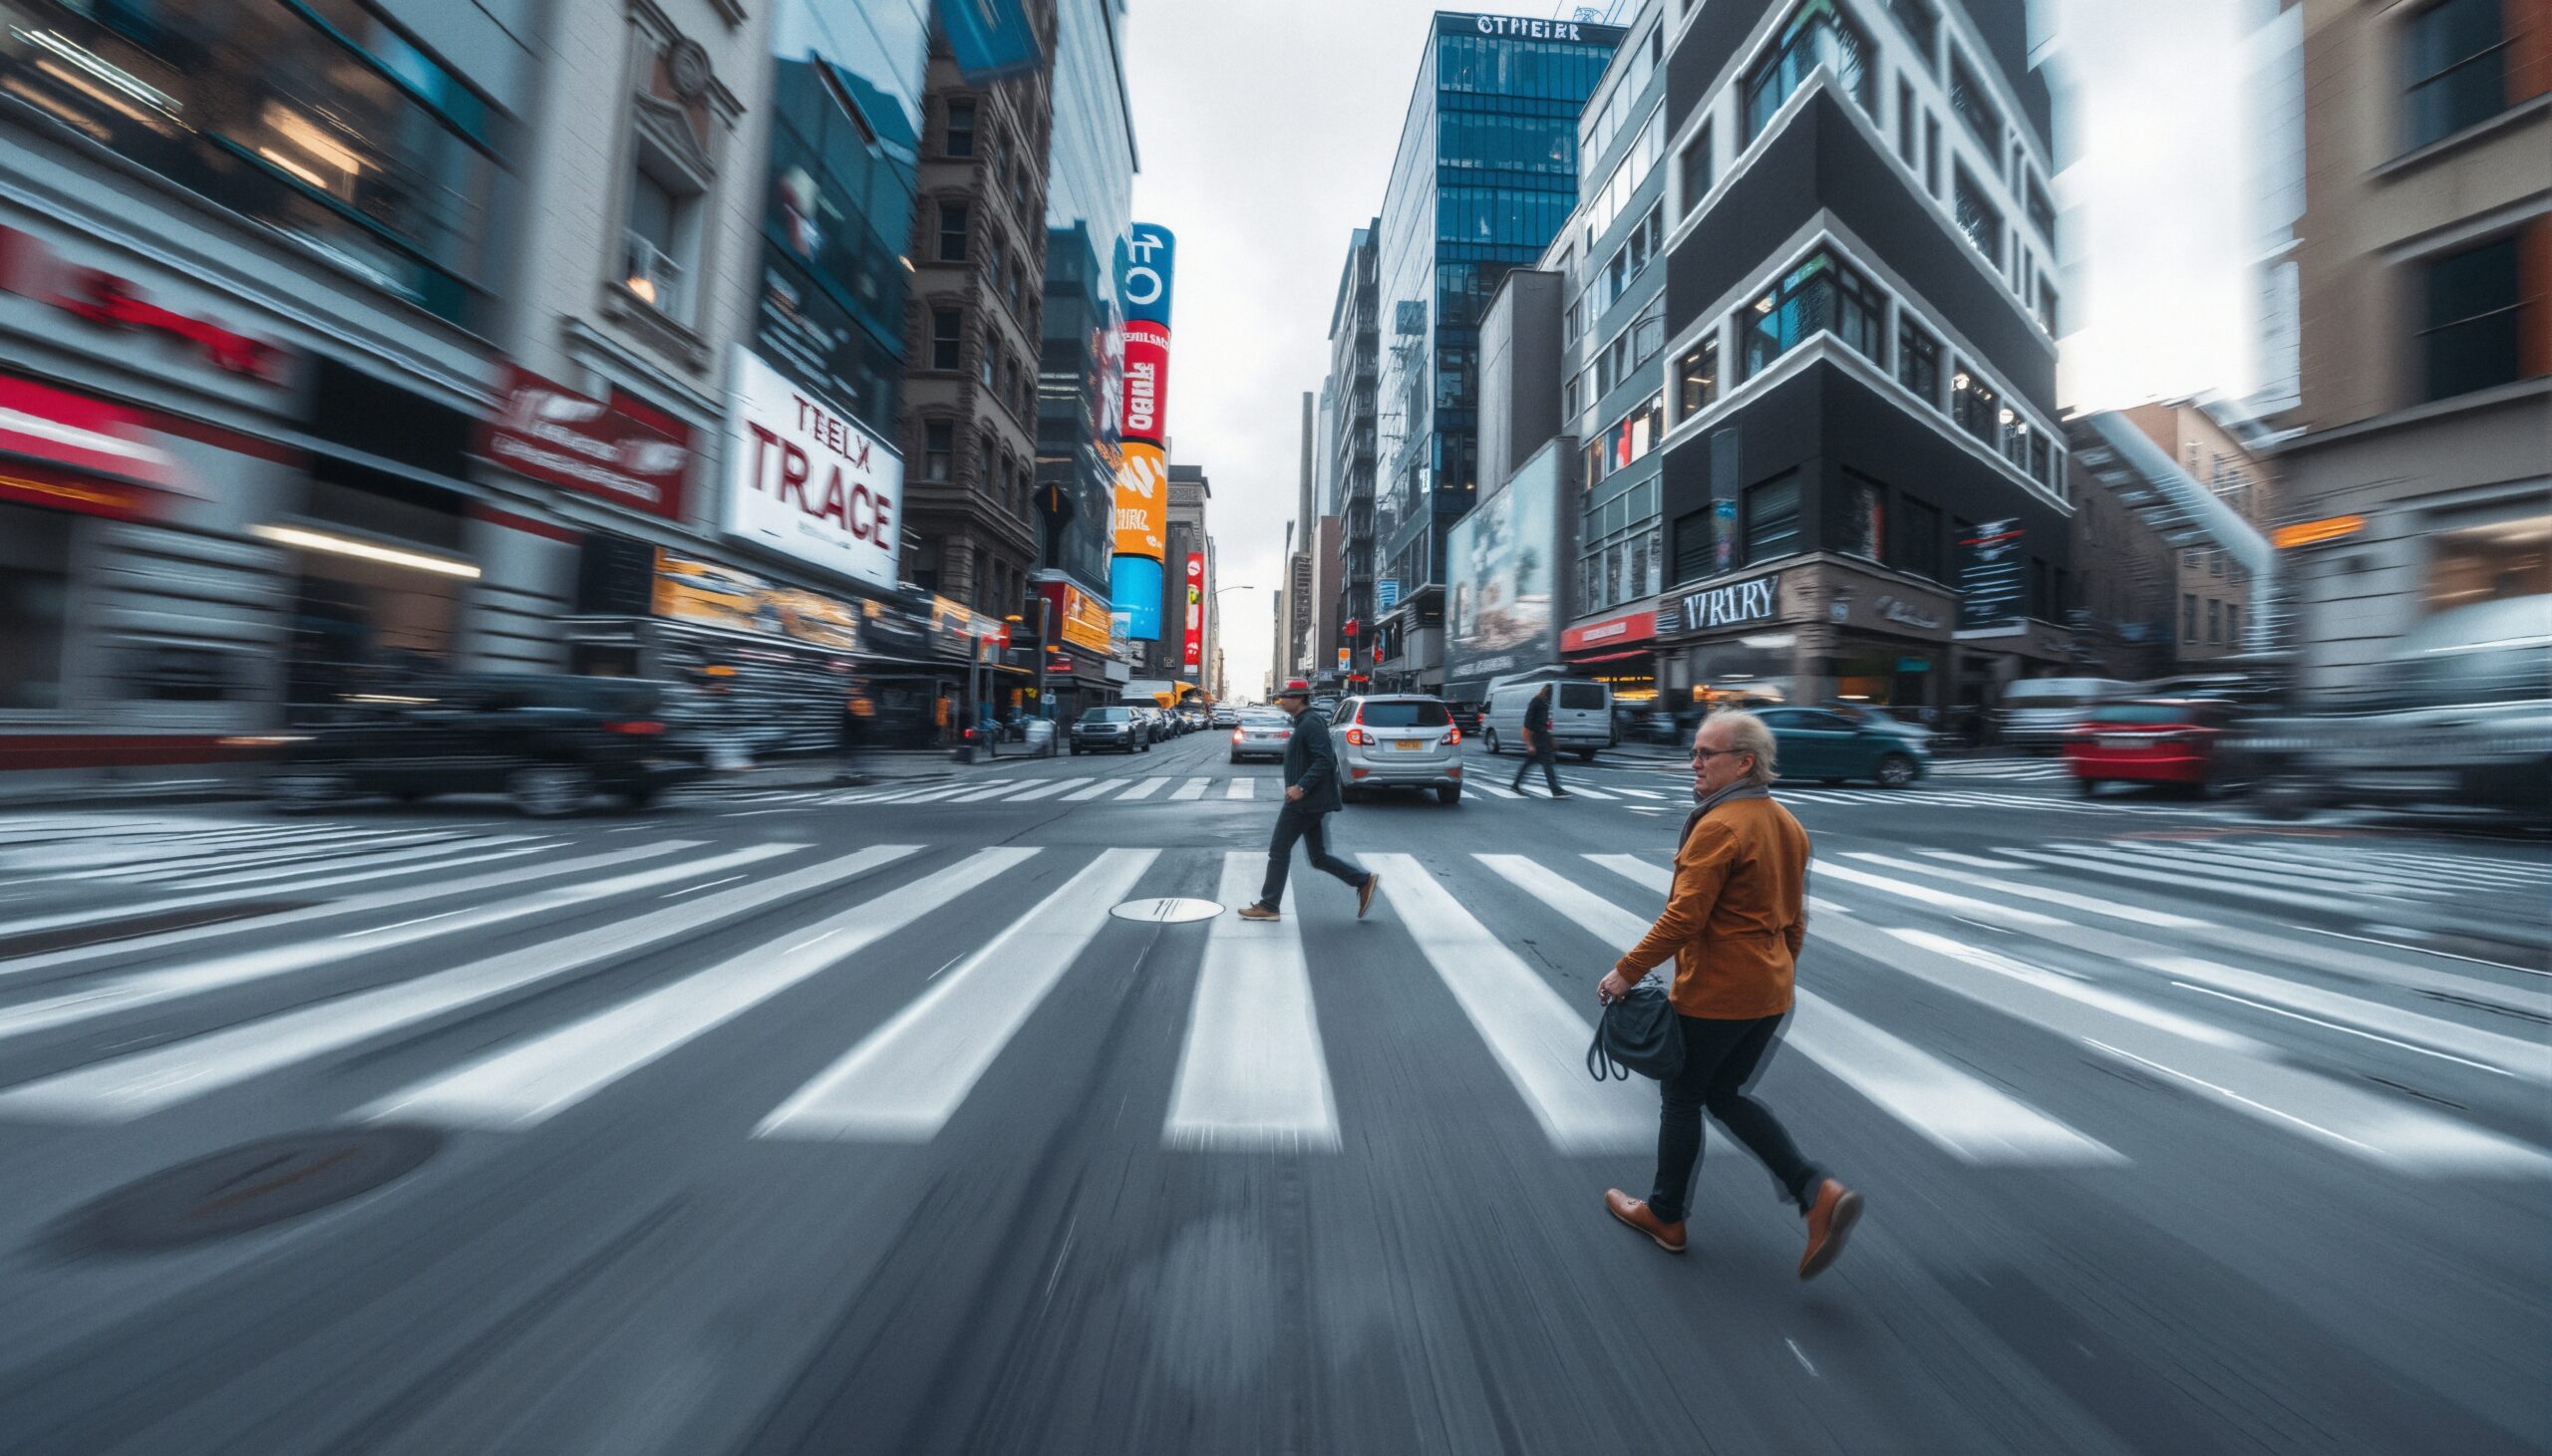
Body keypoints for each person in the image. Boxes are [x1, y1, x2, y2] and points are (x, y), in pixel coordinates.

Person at [1595, 709, 1861, 1279]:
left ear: (1744, 762)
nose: (1694, 763)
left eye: (1705, 754)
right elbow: (1796, 918)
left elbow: (1684, 918)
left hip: (1716, 993)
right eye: (1694, 752)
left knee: (1684, 1096)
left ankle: (1665, 1215)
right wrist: (1774, 971)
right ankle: (1815, 1191)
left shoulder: (1720, 825)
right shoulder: (1786, 823)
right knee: (1723, 1094)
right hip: (1769, 992)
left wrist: (1626, 970)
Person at [1238, 684, 1380, 923]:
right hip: (1312, 801)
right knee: (1318, 857)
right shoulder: (1304, 721)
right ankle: (1362, 880)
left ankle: (1269, 905)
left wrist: (1301, 786)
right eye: (1281, 696)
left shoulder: (1311, 723)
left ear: (1300, 699)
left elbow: (1324, 760)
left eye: (1286, 697)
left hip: (1304, 801)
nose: (1281, 700)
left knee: (1278, 850)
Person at [1510, 683, 1568, 798]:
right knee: (1547, 762)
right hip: (1537, 737)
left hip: (1541, 737)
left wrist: (1550, 739)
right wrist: (1530, 744)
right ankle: (1556, 790)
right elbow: (1528, 723)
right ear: (1548, 693)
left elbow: (1542, 725)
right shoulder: (1536, 702)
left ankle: (1515, 785)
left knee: (1531, 763)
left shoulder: (1542, 703)